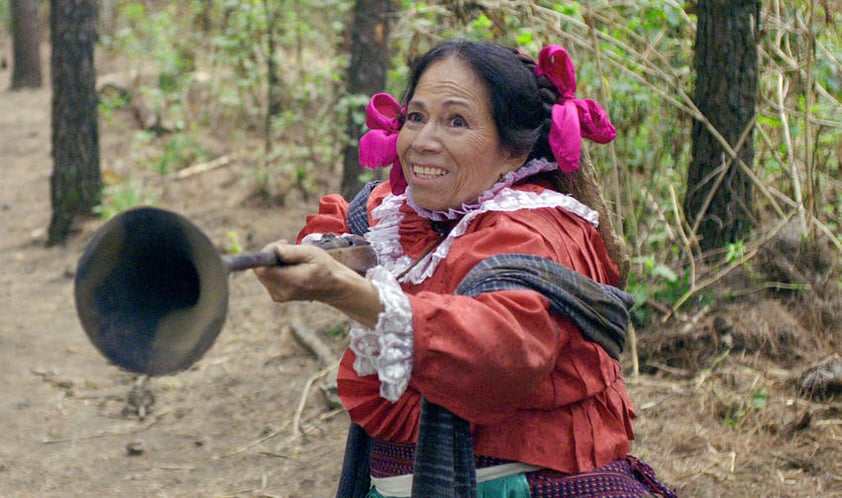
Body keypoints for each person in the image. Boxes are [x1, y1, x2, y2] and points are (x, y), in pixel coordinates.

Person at [254, 40, 677, 498]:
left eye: (457, 121)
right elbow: (349, 224)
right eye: (416, 117)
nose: (423, 141)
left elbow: (498, 347)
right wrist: (324, 252)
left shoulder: (538, 230)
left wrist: (342, 290)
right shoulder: (406, 211)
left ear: (513, 152)